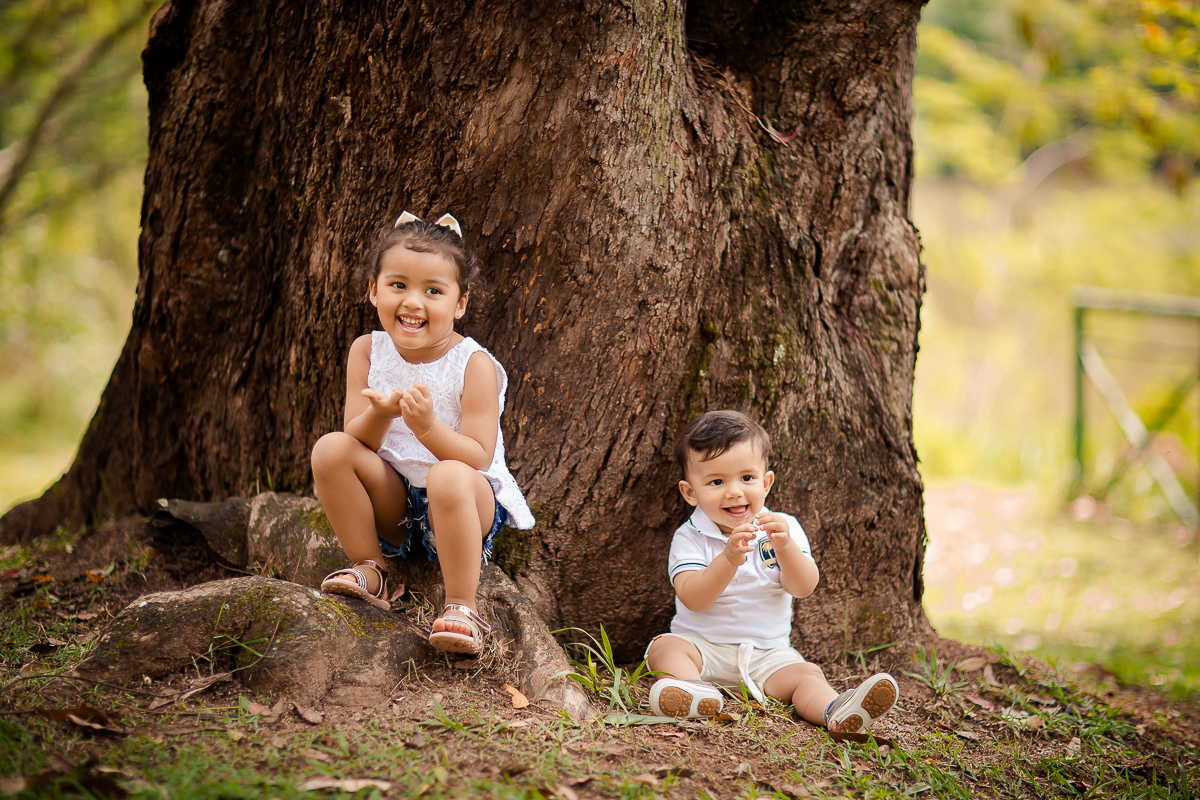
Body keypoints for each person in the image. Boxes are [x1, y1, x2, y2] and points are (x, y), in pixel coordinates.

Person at [310, 211, 534, 656]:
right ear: (374, 290)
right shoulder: (367, 350)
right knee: (331, 449)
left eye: (433, 291)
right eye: (399, 285)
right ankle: (371, 568)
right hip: (394, 501)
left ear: (459, 304)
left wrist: (426, 428)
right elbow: (358, 437)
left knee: (448, 475)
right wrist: (383, 414)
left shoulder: (474, 365)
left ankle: (462, 607)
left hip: (462, 504)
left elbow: (477, 455)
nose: (413, 302)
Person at [645, 410, 899, 733]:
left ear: (766, 482)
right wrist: (728, 558)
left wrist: (786, 548)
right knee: (664, 649)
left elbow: (804, 586)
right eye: (717, 481)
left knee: (807, 675)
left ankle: (835, 711)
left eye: (747, 478)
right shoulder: (690, 536)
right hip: (702, 648)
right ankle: (696, 691)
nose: (734, 491)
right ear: (690, 492)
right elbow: (693, 598)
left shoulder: (784, 528)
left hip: (768, 656)